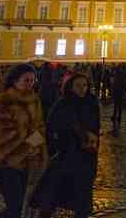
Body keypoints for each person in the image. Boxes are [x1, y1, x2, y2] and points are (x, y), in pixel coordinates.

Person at [29, 73, 100, 218]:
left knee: (82, 197)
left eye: (85, 85)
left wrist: (90, 136)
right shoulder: (62, 104)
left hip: (85, 157)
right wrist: (31, 145)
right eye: (78, 86)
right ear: (70, 87)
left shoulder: (91, 103)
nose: (82, 89)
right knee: (51, 193)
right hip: (64, 155)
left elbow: (95, 127)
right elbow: (48, 127)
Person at [0, 64, 47, 218]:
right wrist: (28, 147)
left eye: (32, 80)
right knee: (15, 206)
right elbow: (2, 134)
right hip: (6, 162)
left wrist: (36, 145)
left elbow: (40, 127)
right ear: (15, 81)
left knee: (20, 207)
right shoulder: (4, 101)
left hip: (28, 163)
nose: (30, 84)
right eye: (26, 80)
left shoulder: (34, 100)